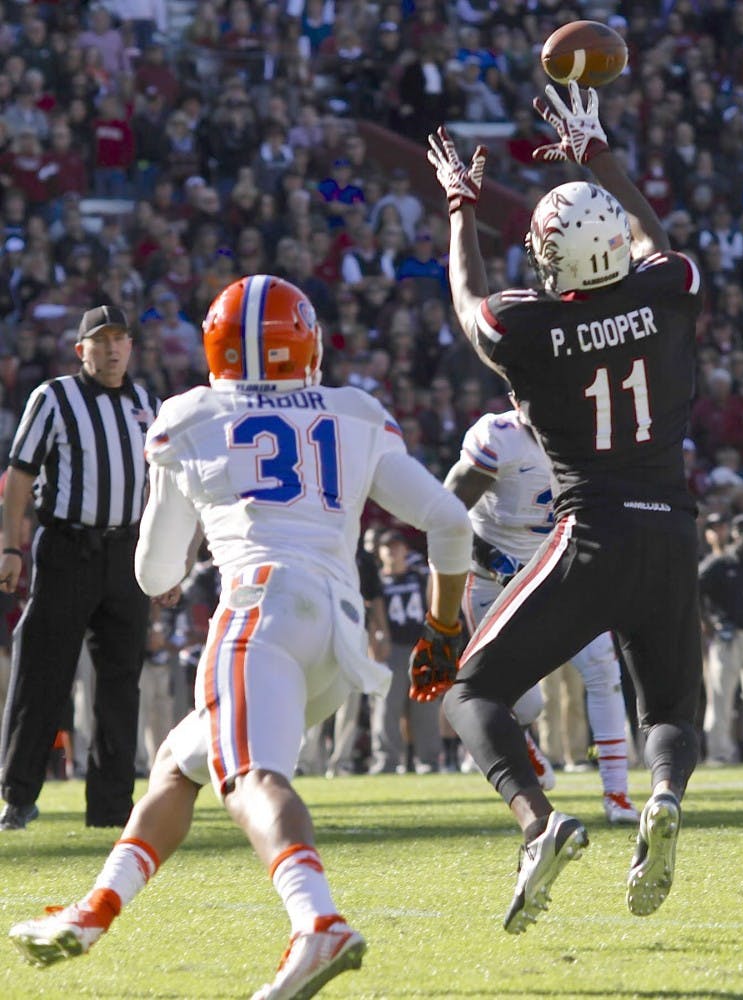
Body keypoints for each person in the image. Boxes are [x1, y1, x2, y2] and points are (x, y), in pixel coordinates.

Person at [9, 275, 472, 1000]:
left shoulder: (190, 416)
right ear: (308, 343)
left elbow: (155, 569)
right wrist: (443, 628)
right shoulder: (354, 411)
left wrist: (195, 533)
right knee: (177, 763)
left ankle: (318, 920)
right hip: (337, 635)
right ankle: (95, 910)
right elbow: (449, 521)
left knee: (251, 778)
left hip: (260, 615)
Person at [426, 81, 704, 933]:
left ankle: (538, 822)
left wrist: (461, 209)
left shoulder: (532, 329)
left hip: (592, 533)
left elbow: (469, 306)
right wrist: (599, 158)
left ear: (551, 262)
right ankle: (662, 795)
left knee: (470, 693)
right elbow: (659, 244)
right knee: (670, 710)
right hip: (672, 532)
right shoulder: (667, 292)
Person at [0, 305, 161, 830]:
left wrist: (167, 562)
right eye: (101, 340)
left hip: (127, 553)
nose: (112, 349)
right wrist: (10, 547)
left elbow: (163, 487)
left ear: (131, 345)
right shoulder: (54, 397)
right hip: (69, 549)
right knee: (43, 672)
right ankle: (18, 795)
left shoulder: (148, 404)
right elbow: (20, 475)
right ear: (81, 349)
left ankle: (112, 808)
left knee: (121, 682)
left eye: (120, 339)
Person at [444, 407, 639, 823]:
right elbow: (446, 513)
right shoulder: (499, 436)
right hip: (492, 578)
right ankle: (521, 740)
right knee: (521, 702)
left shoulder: (589, 436)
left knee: (603, 671)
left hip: (557, 570)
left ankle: (617, 794)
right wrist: (491, 557)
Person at [369, 529, 442, 775]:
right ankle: (386, 761)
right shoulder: (376, 582)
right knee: (386, 706)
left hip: (421, 646)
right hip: (392, 648)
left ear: (405, 550)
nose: (392, 551)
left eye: (397, 546)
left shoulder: (419, 577)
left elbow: (433, 604)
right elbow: (371, 613)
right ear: (379, 552)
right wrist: (376, 642)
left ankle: (428, 760)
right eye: (387, 546)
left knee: (426, 706)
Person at [698, 512, 743, 765]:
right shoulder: (719, 563)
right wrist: (707, 622)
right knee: (720, 698)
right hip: (727, 637)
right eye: (740, 530)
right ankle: (719, 753)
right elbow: (694, 589)